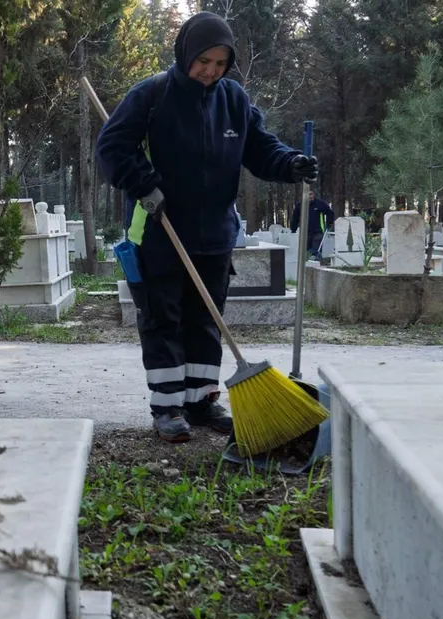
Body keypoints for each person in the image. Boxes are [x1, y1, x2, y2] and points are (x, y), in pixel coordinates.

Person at [96, 11, 318, 443]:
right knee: (163, 319)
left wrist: (290, 163)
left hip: (214, 234)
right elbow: (112, 146)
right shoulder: (152, 94)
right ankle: (167, 406)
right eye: (204, 62)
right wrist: (144, 183)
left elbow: (259, 147)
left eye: (219, 64)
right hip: (160, 230)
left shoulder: (233, 98)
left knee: (205, 321)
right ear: (186, 53)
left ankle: (200, 401)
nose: (210, 72)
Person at [290, 189, 335, 260]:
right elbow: (295, 218)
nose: (309, 196)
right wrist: (293, 229)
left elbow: (330, 213)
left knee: (315, 252)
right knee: (306, 252)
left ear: (314, 194)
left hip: (318, 232)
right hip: (305, 233)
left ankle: (316, 265)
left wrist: (329, 223)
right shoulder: (300, 205)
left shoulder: (320, 204)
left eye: (311, 194)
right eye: (307, 194)